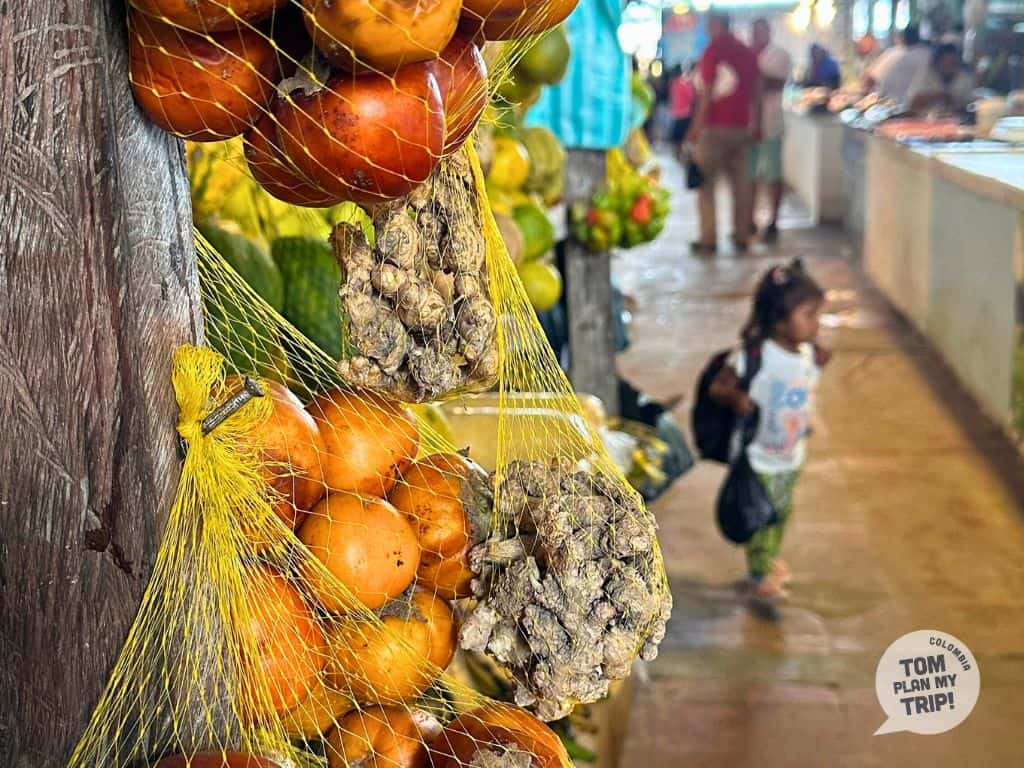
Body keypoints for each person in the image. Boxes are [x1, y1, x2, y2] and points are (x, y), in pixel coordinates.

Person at [709, 260, 830, 599]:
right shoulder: (754, 356)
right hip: (758, 456)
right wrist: (736, 398)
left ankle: (768, 559)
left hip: (792, 454)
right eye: (809, 315)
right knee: (762, 516)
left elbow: (804, 389)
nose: (816, 324)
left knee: (781, 512)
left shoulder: (808, 354)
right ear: (779, 320)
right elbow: (718, 388)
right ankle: (761, 572)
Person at [686, 11, 759, 255]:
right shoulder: (747, 52)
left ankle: (709, 239)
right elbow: (756, 91)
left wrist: (696, 128)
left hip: (714, 127)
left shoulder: (713, 51)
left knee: (706, 186)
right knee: (742, 186)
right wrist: (756, 122)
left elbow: (706, 92)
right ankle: (742, 236)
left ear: (716, 25)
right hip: (742, 126)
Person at [749, 18, 791, 243]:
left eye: (760, 32)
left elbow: (775, 83)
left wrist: (755, 77)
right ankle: (750, 219)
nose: (756, 36)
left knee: (773, 174)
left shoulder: (780, 55)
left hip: (771, 123)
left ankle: (774, 220)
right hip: (750, 125)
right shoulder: (749, 55)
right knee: (750, 174)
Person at [864, 24, 931, 104]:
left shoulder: (895, 53)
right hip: (920, 106)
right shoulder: (927, 54)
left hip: (890, 104)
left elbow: (870, 80)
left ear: (903, 38)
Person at [908, 43, 975, 113]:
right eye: (946, 64)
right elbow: (912, 104)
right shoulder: (926, 75)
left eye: (953, 63)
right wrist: (935, 96)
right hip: (927, 120)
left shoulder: (965, 78)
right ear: (937, 62)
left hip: (957, 120)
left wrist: (954, 101)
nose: (950, 68)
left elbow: (970, 106)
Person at [669, 63, 697, 161]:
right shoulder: (685, 85)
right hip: (685, 113)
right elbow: (691, 97)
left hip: (677, 113)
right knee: (682, 137)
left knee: (677, 136)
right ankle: (680, 155)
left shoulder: (673, 84)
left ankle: (678, 155)